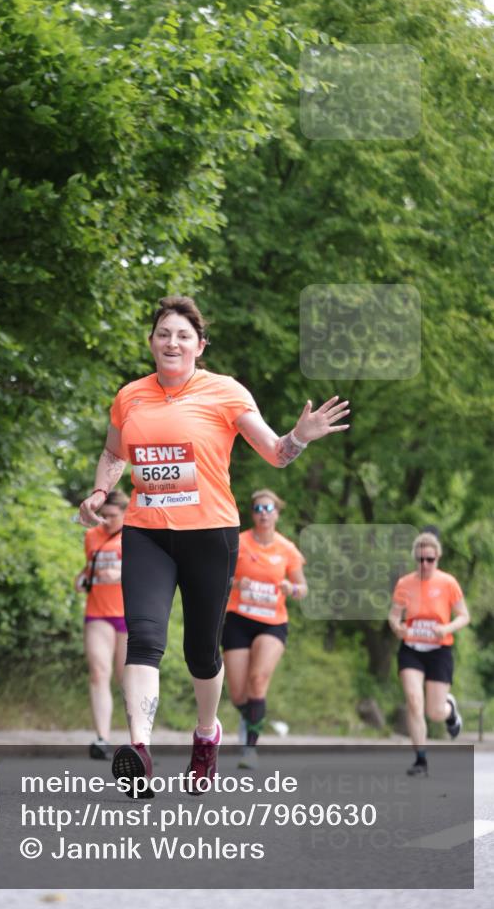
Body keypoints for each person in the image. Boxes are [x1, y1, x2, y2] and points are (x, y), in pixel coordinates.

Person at [79, 295, 349, 795]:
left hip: (210, 536)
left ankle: (206, 736)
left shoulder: (225, 392)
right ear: (151, 342)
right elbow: (113, 453)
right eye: (164, 333)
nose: (172, 342)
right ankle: (140, 748)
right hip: (147, 534)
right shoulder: (130, 396)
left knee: (202, 651)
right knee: (144, 640)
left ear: (199, 346)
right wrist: (100, 490)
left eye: (183, 335)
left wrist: (301, 436)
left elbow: (274, 453)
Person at [223, 489, 307, 768]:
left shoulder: (287, 549)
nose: (263, 513)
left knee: (257, 680)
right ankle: (251, 717)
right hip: (238, 619)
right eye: (258, 509)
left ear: (277, 513)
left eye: (268, 508)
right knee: (238, 694)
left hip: (272, 623)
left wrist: (290, 587)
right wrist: (236, 583)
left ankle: (250, 750)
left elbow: (302, 589)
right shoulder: (238, 542)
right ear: (252, 514)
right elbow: (220, 577)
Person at [388, 531, 470, 776]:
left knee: (434, 712)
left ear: (438, 558)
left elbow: (464, 616)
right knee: (414, 701)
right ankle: (420, 760)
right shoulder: (405, 584)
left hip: (439, 651)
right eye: (420, 559)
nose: (425, 564)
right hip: (411, 649)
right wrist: (397, 628)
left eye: (430, 560)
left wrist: (446, 627)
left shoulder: (448, 583)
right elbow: (393, 615)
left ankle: (449, 710)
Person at [75, 490, 129, 760]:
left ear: (125, 514)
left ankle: (139, 741)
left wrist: (120, 574)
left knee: (127, 680)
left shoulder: (136, 537)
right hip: (97, 611)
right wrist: (81, 579)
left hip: (129, 615)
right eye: (103, 515)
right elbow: (88, 568)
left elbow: (150, 575)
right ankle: (101, 739)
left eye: (112, 516)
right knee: (98, 672)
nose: (106, 521)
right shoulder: (91, 536)